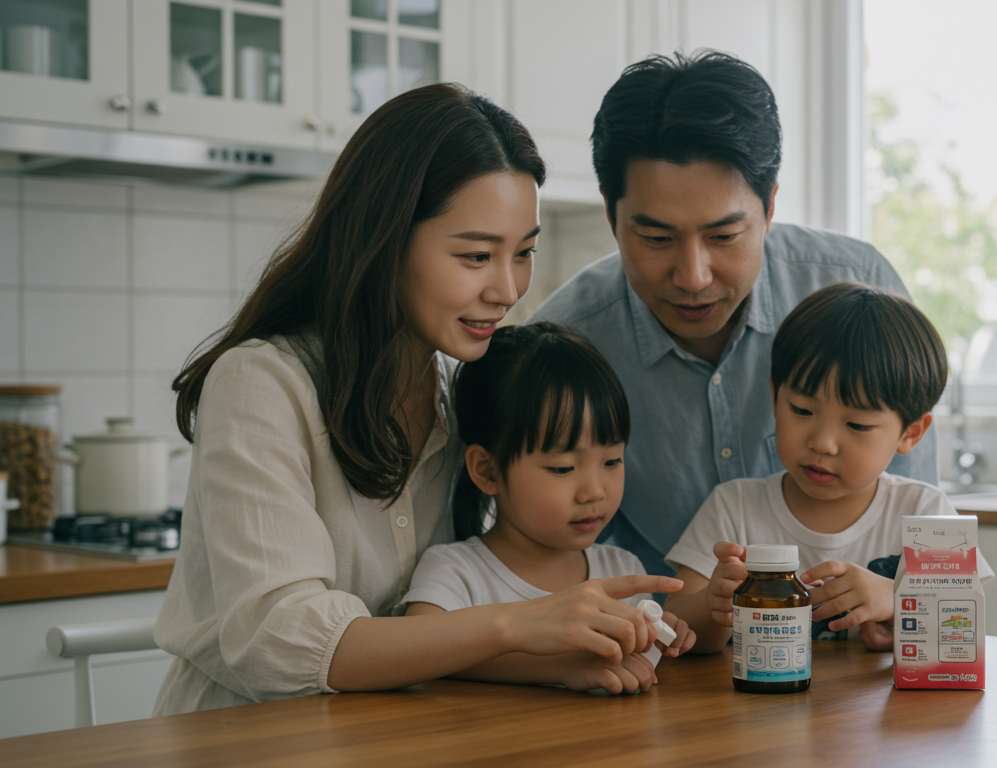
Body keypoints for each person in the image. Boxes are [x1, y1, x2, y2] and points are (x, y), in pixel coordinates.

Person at [154, 84, 679, 715]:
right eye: (477, 255)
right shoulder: (263, 383)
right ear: (385, 240)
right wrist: (518, 625)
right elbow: (277, 644)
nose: (507, 288)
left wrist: (564, 657)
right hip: (248, 738)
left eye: (524, 253)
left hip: (394, 734)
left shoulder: (458, 388)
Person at [530, 51, 937, 578]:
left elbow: (919, 524)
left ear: (769, 208)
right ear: (611, 213)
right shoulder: (567, 345)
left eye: (723, 236)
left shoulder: (860, 288)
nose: (693, 276)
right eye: (657, 238)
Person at [661, 283, 993, 653]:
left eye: (857, 425)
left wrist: (897, 599)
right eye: (802, 410)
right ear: (775, 396)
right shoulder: (734, 506)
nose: (823, 443)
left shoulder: (925, 512)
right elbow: (674, 628)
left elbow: (965, 625)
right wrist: (714, 604)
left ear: (910, 433)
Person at [401, 322, 695, 694]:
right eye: (563, 468)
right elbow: (418, 649)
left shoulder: (622, 573)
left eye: (611, 461)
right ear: (487, 470)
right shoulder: (456, 572)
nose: (594, 493)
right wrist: (561, 666)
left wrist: (655, 637)